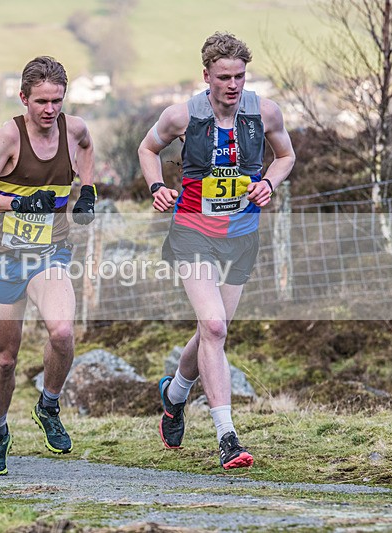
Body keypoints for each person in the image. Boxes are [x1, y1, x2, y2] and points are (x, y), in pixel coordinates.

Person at [137, 32, 295, 469]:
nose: (233, 84)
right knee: (214, 325)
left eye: (239, 76)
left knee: (214, 329)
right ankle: (227, 435)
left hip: (241, 233)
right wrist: (157, 187)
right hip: (192, 231)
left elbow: (286, 156)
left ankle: (174, 395)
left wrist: (268, 183)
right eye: (223, 77)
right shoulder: (181, 116)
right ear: (205, 75)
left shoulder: (264, 112)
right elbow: (147, 149)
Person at [0, 56, 97, 476]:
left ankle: (48, 404)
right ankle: (0, 432)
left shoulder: (71, 128)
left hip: (50, 253)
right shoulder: (9, 137)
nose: (49, 109)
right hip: (6, 258)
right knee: (4, 359)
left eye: (57, 100)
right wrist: (19, 202)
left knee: (62, 333)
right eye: (41, 101)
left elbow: (87, 145)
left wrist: (88, 188)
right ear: (23, 98)